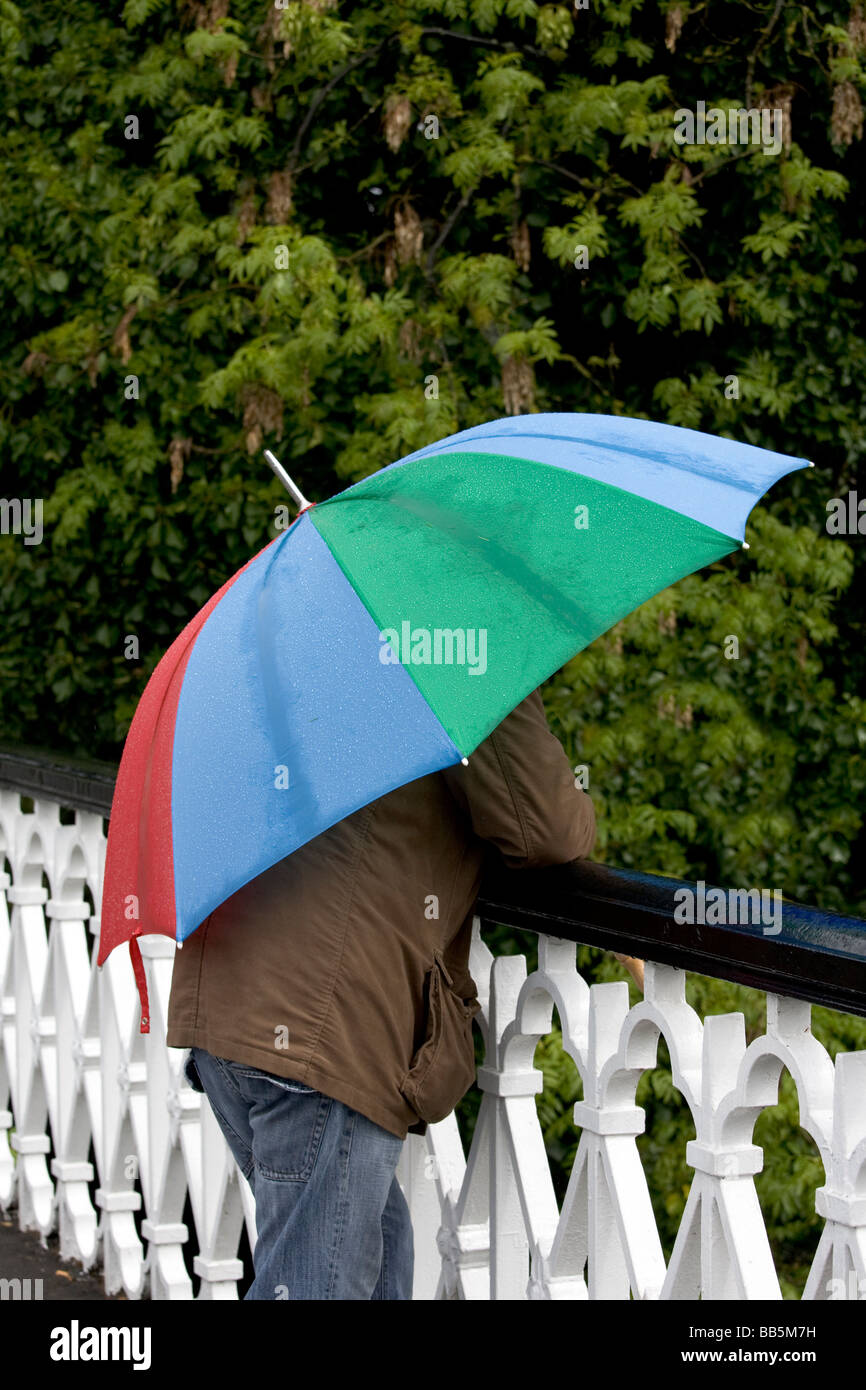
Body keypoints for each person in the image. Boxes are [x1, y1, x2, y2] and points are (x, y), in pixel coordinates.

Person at [166, 686, 596, 1299]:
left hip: (229, 1011)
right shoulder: (458, 630)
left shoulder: (296, 615)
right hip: (320, 1035)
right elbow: (542, 829)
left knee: (377, 1268)